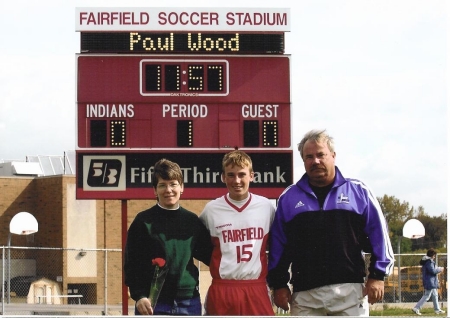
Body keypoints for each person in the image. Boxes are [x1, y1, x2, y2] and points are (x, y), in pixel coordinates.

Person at [267, 129, 395, 316]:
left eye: (321, 155)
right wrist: (278, 285)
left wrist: (377, 276)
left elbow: (379, 236)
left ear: (333, 156)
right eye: (309, 157)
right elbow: (278, 247)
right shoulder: (288, 198)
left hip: (350, 294)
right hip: (305, 296)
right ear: (303, 160)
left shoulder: (358, 192)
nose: (315, 161)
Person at [124, 158, 212, 316]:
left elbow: (212, 256)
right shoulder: (143, 221)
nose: (168, 190)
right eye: (162, 185)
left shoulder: (192, 221)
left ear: (182, 187)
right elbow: (132, 265)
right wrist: (139, 296)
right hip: (153, 303)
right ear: (154, 190)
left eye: (173, 184)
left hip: (188, 302)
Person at [199, 150, 276, 315]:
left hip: (255, 287)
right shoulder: (211, 210)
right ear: (223, 177)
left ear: (252, 176)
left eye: (242, 174)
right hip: (223, 288)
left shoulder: (266, 207)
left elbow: (276, 244)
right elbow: (200, 247)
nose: (237, 180)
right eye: (231, 175)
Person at [412, 248, 445, 315]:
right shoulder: (429, 262)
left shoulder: (427, 261)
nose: (435, 257)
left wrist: (437, 269)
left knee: (435, 295)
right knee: (427, 295)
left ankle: (437, 309)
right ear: (432, 255)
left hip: (431, 281)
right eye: (434, 255)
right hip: (430, 281)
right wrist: (439, 269)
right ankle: (416, 308)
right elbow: (432, 271)